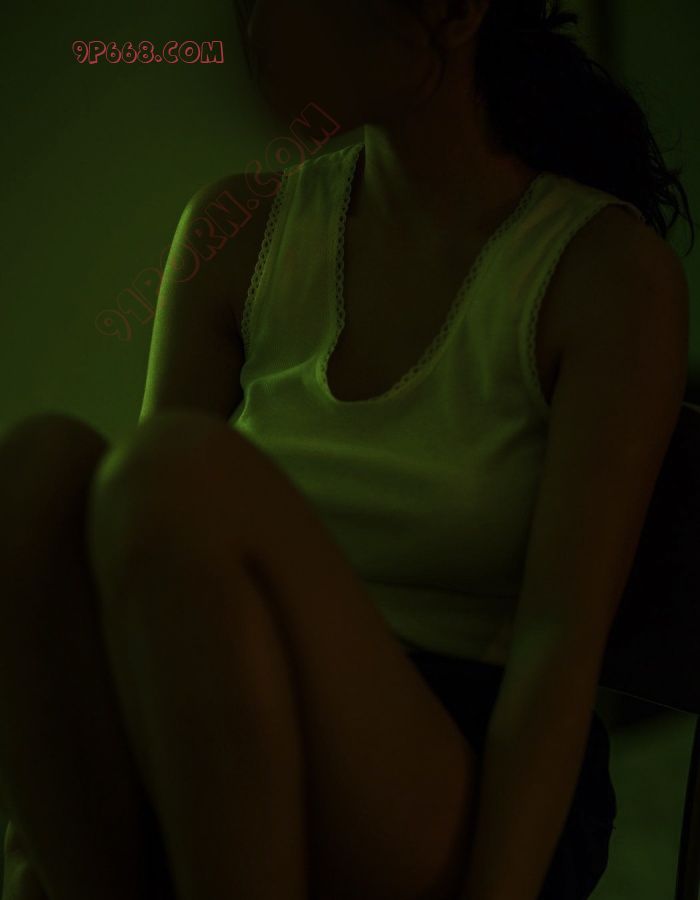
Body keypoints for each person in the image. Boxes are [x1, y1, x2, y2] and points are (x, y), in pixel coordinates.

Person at [0, 2, 693, 900]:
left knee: (176, 478)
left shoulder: (599, 272)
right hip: (217, 729)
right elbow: (126, 576)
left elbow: (557, 648)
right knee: (36, 475)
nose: (255, 24)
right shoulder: (236, 228)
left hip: (457, 758)